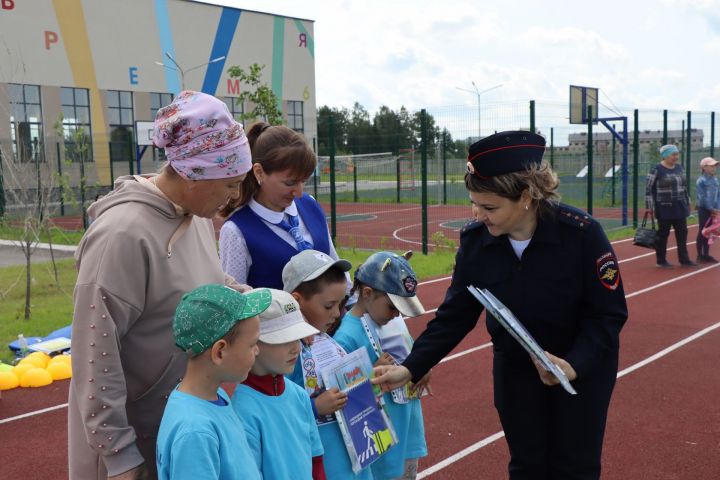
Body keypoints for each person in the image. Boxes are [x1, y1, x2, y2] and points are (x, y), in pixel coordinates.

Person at [372, 131, 628, 480]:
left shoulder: (581, 235)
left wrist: (573, 365)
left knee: (575, 466)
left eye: (489, 207)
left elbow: (607, 315)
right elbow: (455, 316)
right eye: (474, 203)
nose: (479, 215)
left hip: (579, 369)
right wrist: (410, 367)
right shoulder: (477, 244)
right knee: (527, 466)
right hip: (516, 370)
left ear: (526, 196)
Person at [69, 90, 253, 480]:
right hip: (134, 442)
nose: (235, 196)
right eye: (230, 183)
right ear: (192, 173)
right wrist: (120, 455)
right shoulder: (121, 236)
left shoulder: (198, 216)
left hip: (183, 422)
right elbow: (94, 356)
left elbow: (209, 283)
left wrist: (261, 303)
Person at [156, 284, 270, 480]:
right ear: (219, 352)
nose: (257, 351)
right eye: (252, 344)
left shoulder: (217, 396)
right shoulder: (195, 433)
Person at [334, 251, 429, 480]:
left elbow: (410, 355)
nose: (397, 314)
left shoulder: (389, 321)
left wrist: (421, 367)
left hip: (405, 428)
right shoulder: (346, 338)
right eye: (392, 307)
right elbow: (343, 400)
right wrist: (371, 373)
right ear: (367, 293)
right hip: (381, 444)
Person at [282, 249, 374, 480]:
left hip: (353, 456)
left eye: (341, 304)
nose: (337, 313)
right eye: (328, 306)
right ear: (297, 300)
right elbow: (277, 410)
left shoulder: (324, 338)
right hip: (322, 461)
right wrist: (314, 407)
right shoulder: (286, 352)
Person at [219, 123, 342, 290]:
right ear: (259, 172)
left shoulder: (309, 204)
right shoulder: (236, 231)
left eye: (303, 181)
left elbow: (334, 263)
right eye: (290, 183)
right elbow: (234, 300)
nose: (299, 193)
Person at [232, 289, 326, 479]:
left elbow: (315, 458)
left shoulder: (299, 395)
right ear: (253, 342)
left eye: (297, 338)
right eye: (284, 340)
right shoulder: (237, 407)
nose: (296, 348)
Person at [645, 144, 695, 267]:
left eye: (677, 154)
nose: (676, 157)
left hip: (680, 207)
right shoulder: (656, 169)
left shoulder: (679, 168)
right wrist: (649, 206)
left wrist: (688, 202)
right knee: (663, 235)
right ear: (665, 156)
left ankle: (684, 260)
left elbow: (684, 187)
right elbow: (648, 190)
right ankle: (661, 260)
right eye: (673, 154)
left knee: (682, 234)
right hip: (664, 208)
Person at [695, 157, 720, 263]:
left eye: (715, 166)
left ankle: (706, 255)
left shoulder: (715, 179)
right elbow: (702, 197)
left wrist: (717, 208)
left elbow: (718, 195)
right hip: (704, 209)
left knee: (710, 231)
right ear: (704, 167)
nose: (714, 168)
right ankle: (699, 256)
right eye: (711, 166)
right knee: (703, 231)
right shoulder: (701, 181)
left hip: (714, 210)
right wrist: (710, 209)